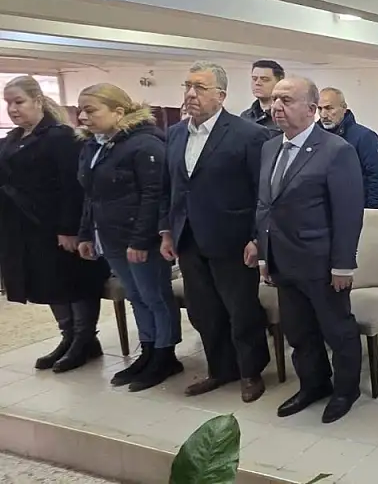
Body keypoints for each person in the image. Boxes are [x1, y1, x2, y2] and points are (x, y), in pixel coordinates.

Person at [159, 61, 272, 402]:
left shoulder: (248, 135)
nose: (191, 94)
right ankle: (220, 369)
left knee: (241, 311)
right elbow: (169, 188)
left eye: (200, 87)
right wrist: (166, 231)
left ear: (220, 95)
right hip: (189, 237)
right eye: (187, 86)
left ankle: (250, 371)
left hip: (233, 239)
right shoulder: (175, 134)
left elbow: (262, 193)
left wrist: (257, 238)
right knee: (203, 310)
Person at [257, 77, 365, 424]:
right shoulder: (270, 148)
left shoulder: (336, 150)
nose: (277, 107)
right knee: (299, 331)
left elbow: (348, 213)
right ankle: (313, 384)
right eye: (275, 99)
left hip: (321, 262)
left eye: (287, 100)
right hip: (283, 259)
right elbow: (265, 206)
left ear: (311, 109)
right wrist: (264, 254)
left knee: (337, 329)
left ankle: (346, 389)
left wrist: (343, 265)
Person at [76, 83, 183, 392]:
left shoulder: (145, 144)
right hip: (110, 236)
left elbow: (155, 195)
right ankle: (148, 350)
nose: (82, 116)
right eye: (81, 110)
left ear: (118, 112)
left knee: (155, 297)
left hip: (139, 238)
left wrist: (141, 240)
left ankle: (165, 354)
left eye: (91, 110)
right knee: (136, 297)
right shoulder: (95, 145)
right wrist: (86, 233)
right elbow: (90, 195)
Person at [0, 76, 110, 373]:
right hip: (28, 229)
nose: (12, 109)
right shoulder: (13, 139)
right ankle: (69, 336)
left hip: (59, 225)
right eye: (8, 103)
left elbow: (73, 187)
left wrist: (69, 228)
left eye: (19, 102)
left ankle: (85, 339)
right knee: (49, 283)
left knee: (72, 281)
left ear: (37, 101)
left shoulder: (61, 137)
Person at [317, 87, 378, 208]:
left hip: (353, 209)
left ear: (344, 108)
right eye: (320, 109)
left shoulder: (365, 137)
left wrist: (371, 211)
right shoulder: (313, 137)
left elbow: (377, 177)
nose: (323, 114)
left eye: (329, 108)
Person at [242, 59, 283, 132]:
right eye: (254, 79)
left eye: (264, 79)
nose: (257, 83)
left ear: (279, 82)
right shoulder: (245, 116)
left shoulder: (285, 116)